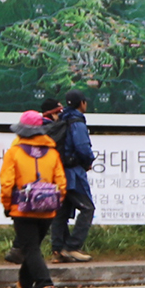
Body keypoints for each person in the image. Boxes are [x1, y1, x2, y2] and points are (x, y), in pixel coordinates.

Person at [0, 111, 68, 288]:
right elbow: (61, 184)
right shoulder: (53, 153)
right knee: (33, 249)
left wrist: (7, 205)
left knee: (30, 249)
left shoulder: (14, 153)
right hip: (47, 210)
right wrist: (55, 202)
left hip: (23, 209)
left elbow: (7, 183)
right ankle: (22, 287)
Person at [51, 89, 97, 262]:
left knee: (61, 211)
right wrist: (88, 161)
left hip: (59, 172)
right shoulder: (77, 122)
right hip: (73, 174)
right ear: (82, 103)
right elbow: (82, 147)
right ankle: (72, 247)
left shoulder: (62, 119)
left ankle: (57, 250)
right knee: (87, 208)